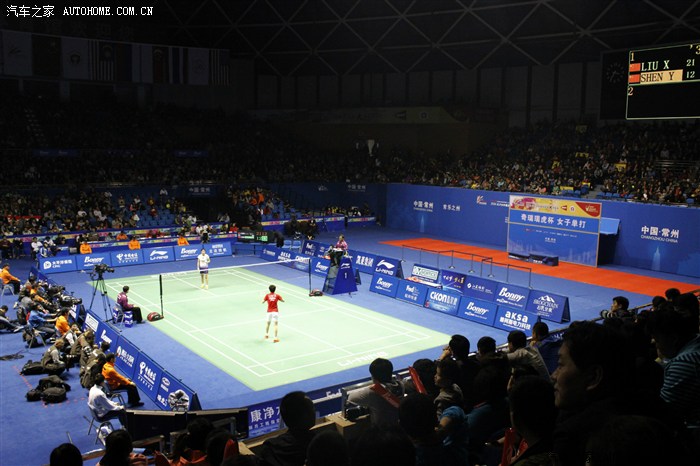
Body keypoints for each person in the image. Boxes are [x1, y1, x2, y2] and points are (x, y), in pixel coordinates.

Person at [256, 391, 317, 466]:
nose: (314, 412)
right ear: (305, 415)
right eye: (311, 409)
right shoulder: (318, 446)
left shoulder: (270, 447)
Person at [347, 357, 405, 425]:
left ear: (373, 377)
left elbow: (351, 398)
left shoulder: (373, 391)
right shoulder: (401, 385)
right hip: (399, 425)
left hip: (382, 429)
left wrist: (372, 386)